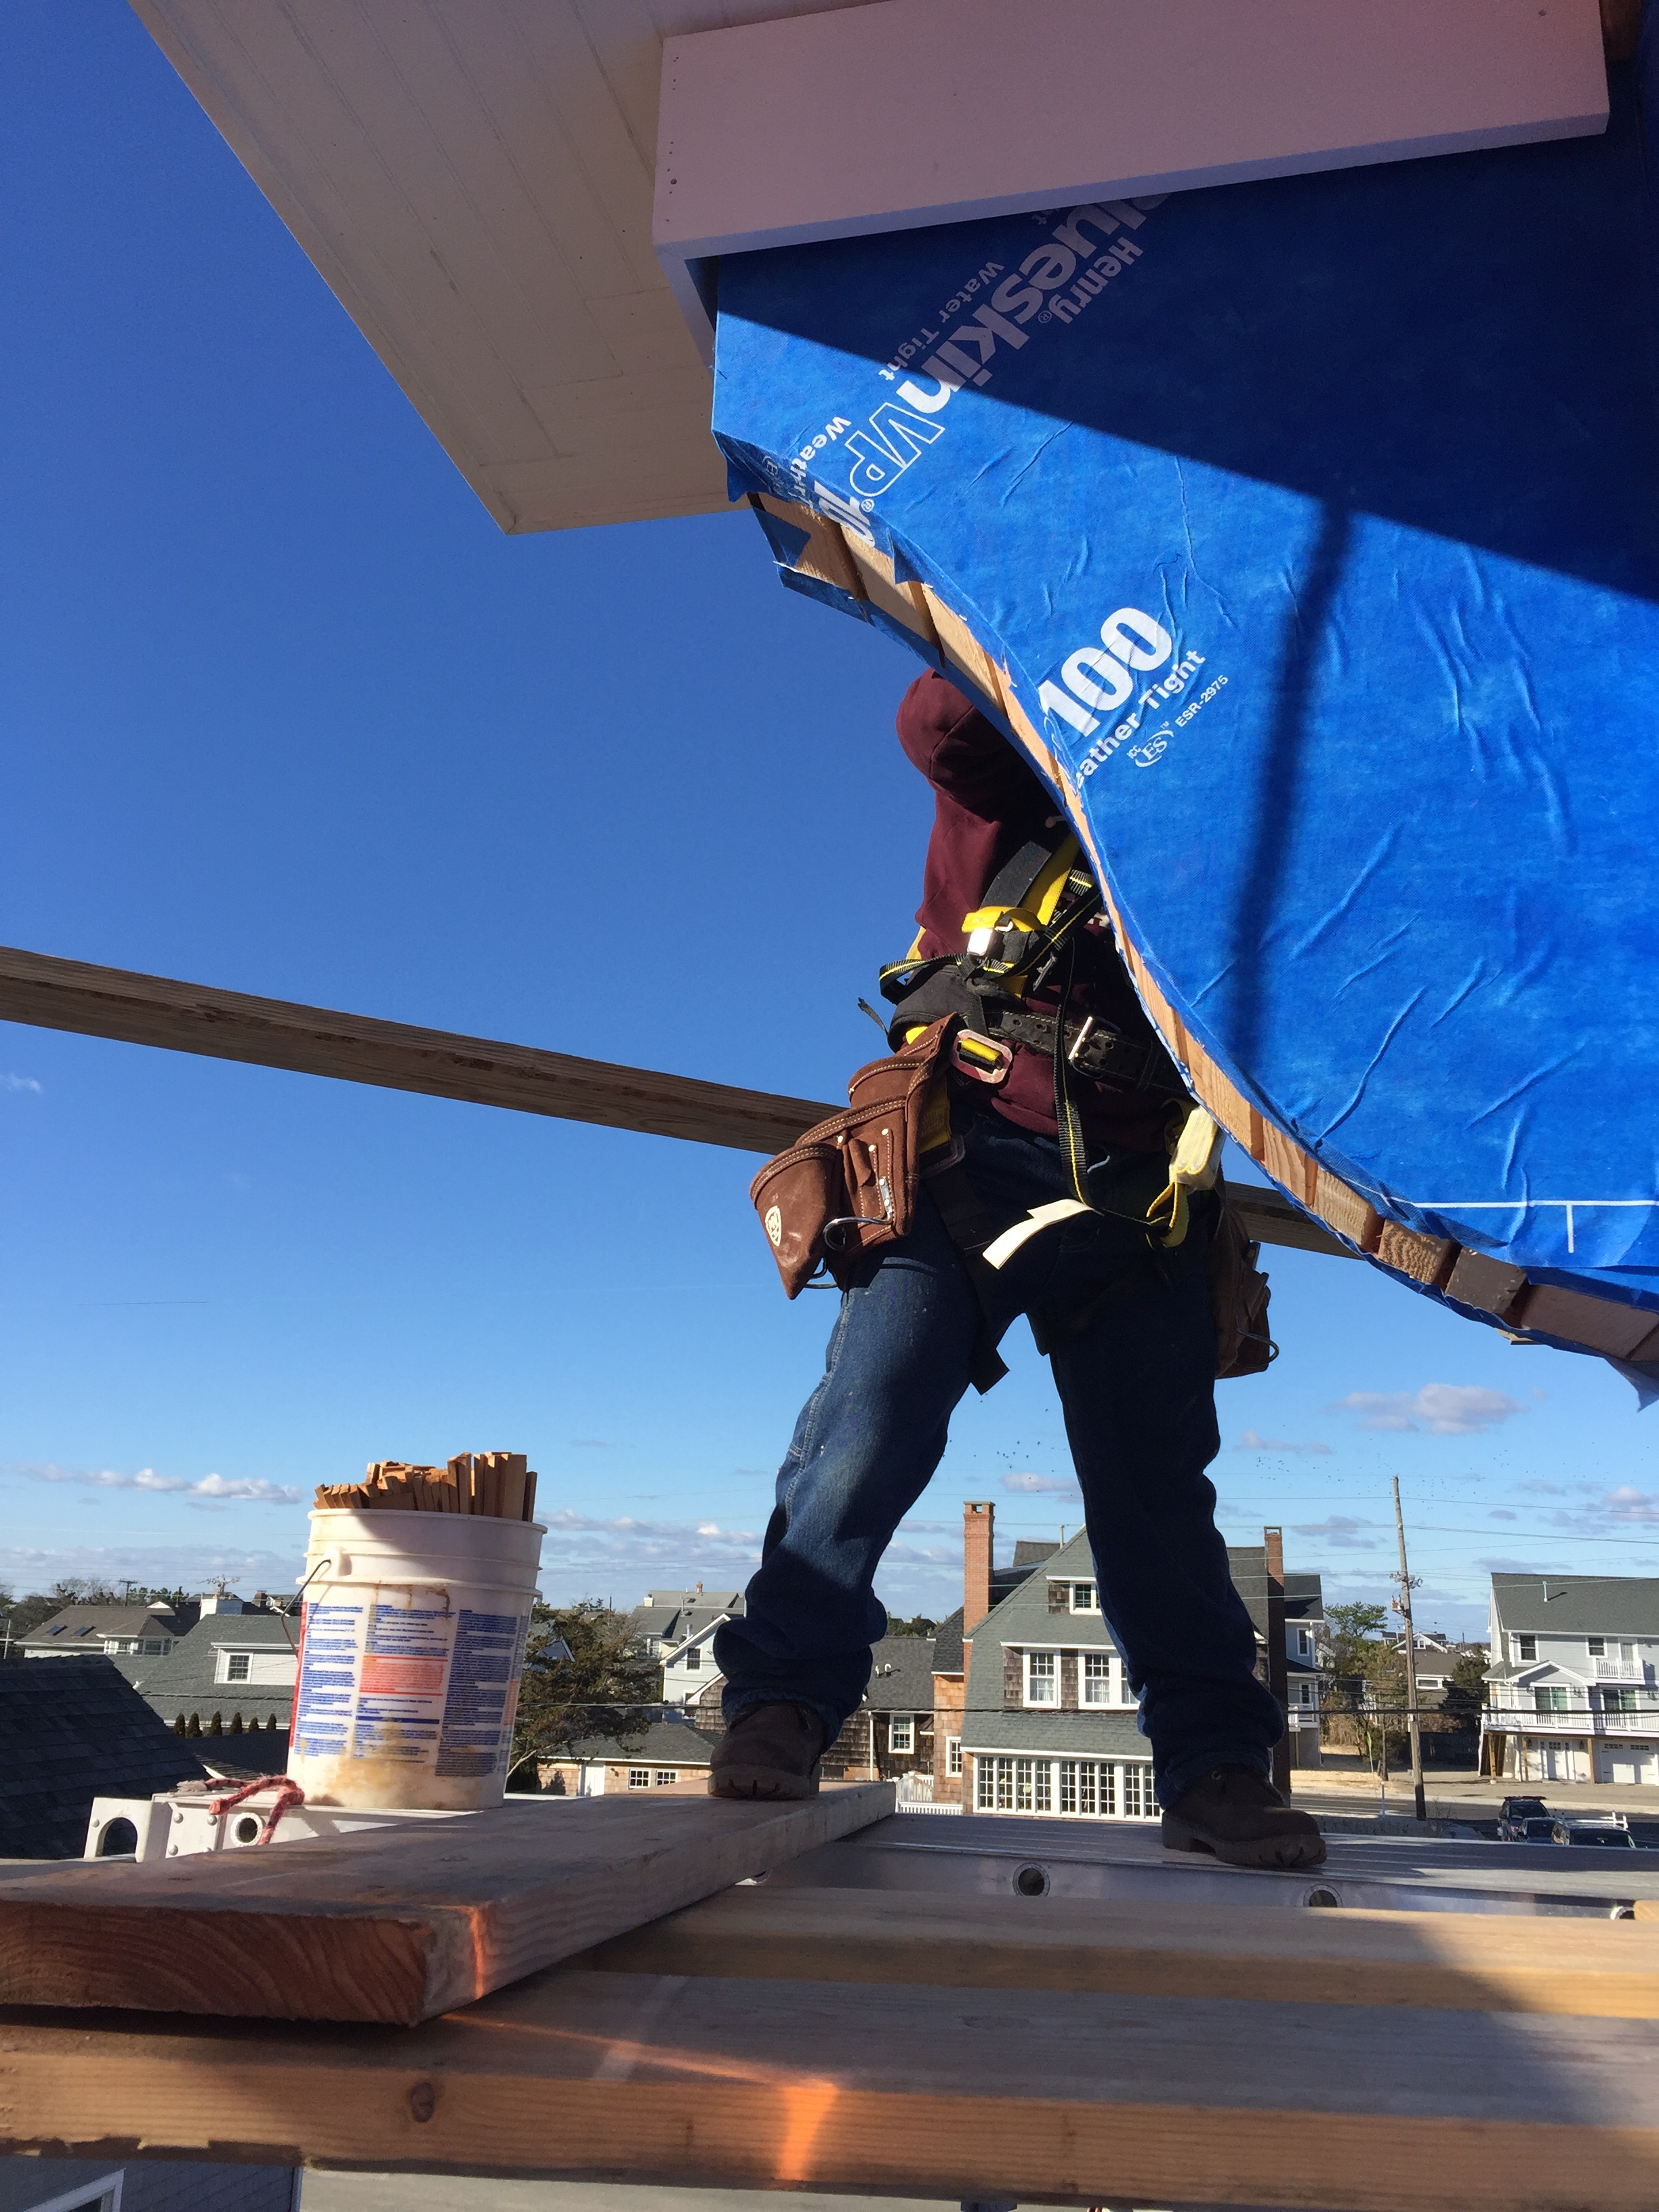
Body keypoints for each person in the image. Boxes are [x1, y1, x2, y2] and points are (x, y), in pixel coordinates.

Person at [709, 670, 1322, 1870]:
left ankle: (1215, 1770)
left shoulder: (1242, 823)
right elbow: (935, 723)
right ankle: (782, 1701)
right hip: (967, 1145)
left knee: (1154, 1483)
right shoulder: (1021, 761)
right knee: (867, 1424)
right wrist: (1071, 634)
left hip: (1145, 1180)